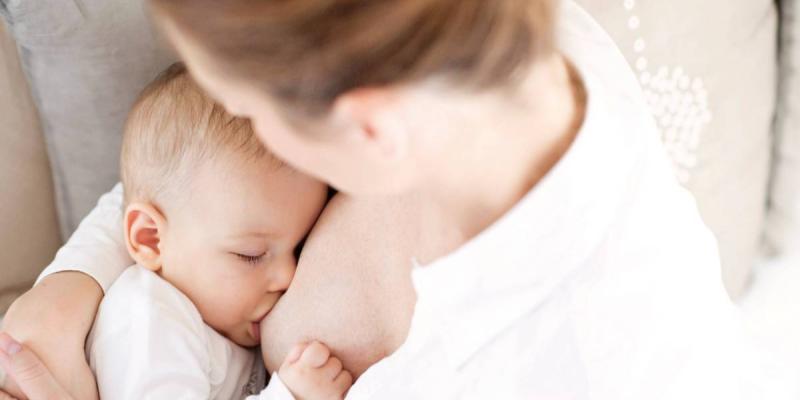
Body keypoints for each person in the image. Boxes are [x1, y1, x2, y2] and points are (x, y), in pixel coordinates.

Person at [0, 1, 758, 399]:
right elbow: (196, 173)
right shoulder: (471, 54)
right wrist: (74, 286)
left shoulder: (511, 365)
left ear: (363, 126)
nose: (249, 128)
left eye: (252, 108)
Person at [85, 63, 350, 399]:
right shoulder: (150, 319)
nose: (288, 275)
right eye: (250, 255)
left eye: (299, 248)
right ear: (150, 238)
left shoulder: (218, 317)